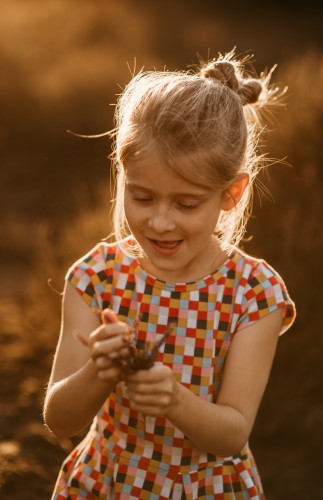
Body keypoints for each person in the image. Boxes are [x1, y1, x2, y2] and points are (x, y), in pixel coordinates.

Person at [44, 48, 296, 499]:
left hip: (209, 487)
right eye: (142, 197)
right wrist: (100, 371)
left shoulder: (256, 293)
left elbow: (232, 432)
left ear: (232, 192)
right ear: (123, 175)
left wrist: (175, 400)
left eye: (186, 204)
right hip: (109, 481)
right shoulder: (95, 277)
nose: (160, 222)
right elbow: (60, 420)